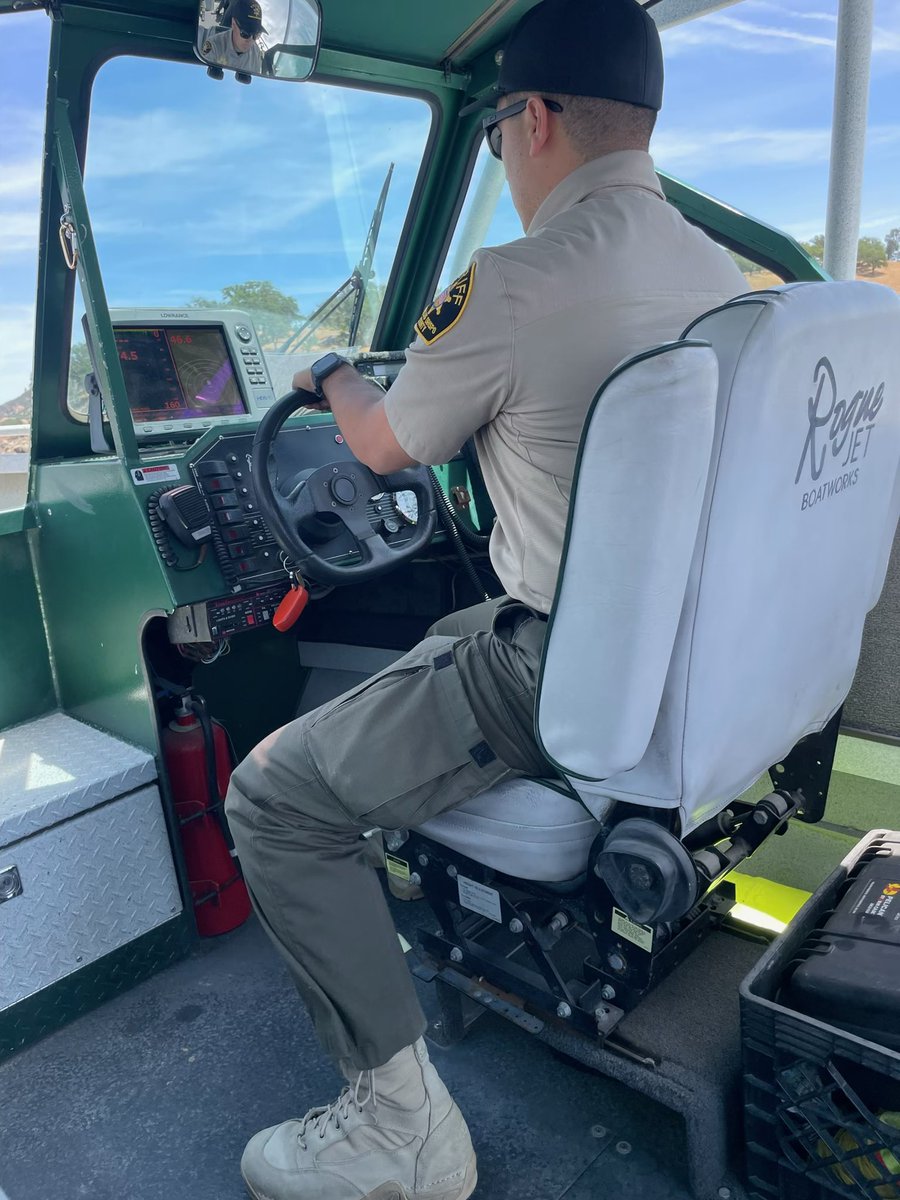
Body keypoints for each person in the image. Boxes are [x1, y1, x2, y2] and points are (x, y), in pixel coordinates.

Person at [224, 1, 746, 1197]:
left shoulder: (517, 281)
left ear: (536, 120)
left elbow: (379, 447)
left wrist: (332, 371)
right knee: (442, 630)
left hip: (566, 669)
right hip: (684, 647)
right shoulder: (718, 275)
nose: (506, 155)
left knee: (272, 797)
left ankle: (399, 1129)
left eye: (500, 130)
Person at [201, 0, 265, 75]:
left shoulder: (256, 53)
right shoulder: (214, 45)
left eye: (256, 35)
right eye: (245, 33)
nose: (250, 40)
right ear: (233, 24)